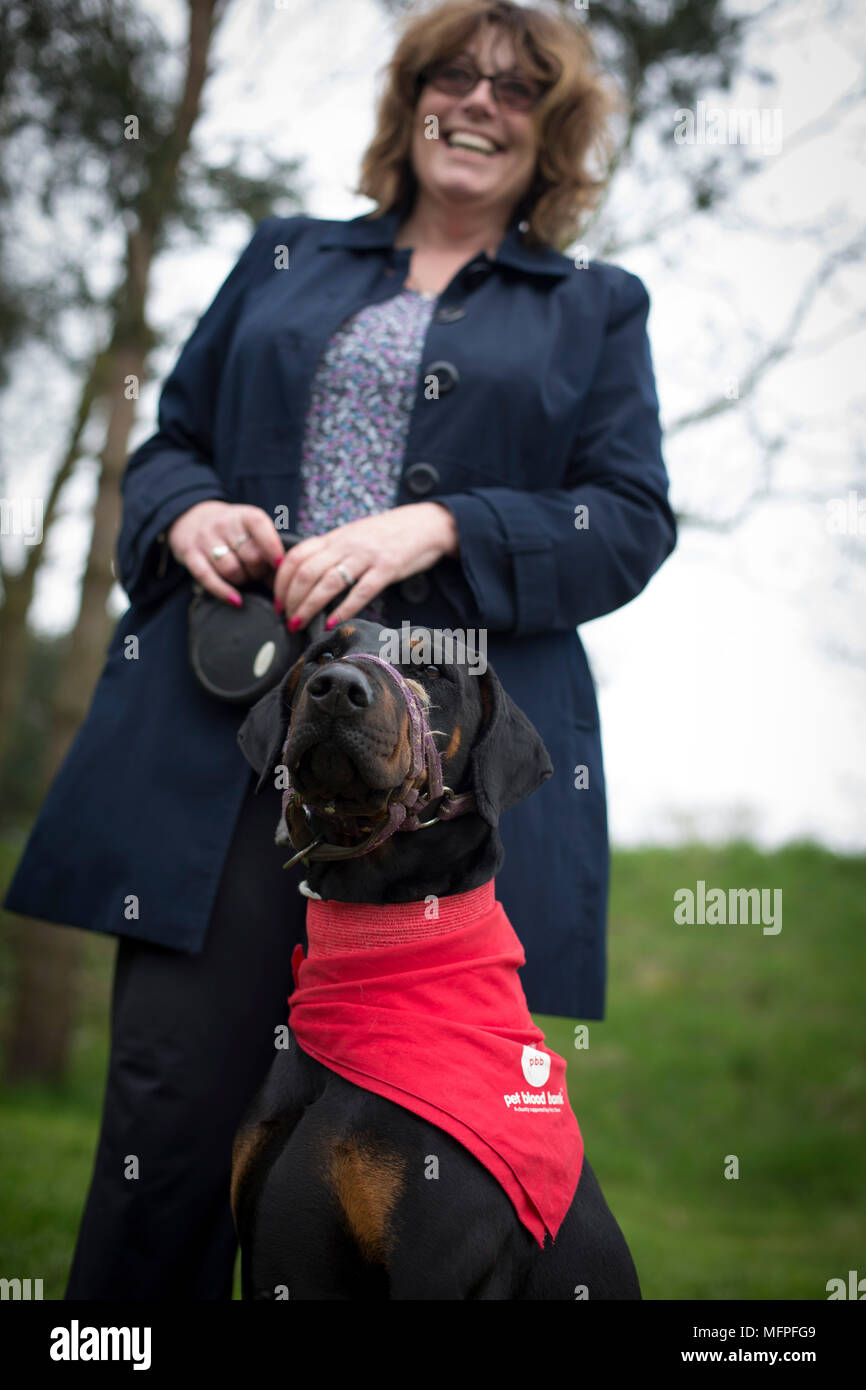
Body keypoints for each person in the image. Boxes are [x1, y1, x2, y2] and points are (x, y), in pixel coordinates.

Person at [3, 0, 676, 1299]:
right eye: (451, 73)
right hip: (223, 740)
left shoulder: (593, 307)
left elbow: (630, 522)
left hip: (431, 788)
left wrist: (440, 523)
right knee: (173, 1120)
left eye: (515, 87)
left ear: (552, 133)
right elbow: (166, 444)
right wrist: (182, 508)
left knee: (411, 1165)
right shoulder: (281, 256)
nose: (478, 99)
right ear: (409, 98)